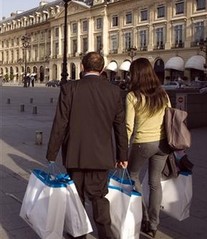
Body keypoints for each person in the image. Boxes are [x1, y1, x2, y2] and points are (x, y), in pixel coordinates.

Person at [46, 52, 128, 239]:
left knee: (76, 199)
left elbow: (60, 123)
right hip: (101, 156)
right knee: (99, 199)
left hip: (75, 154)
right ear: (103, 69)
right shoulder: (114, 91)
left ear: (82, 67)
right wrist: (123, 156)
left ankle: (78, 234)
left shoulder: (69, 88)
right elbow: (120, 127)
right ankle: (105, 235)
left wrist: (52, 153)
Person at [125, 58, 171, 238]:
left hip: (143, 143)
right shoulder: (163, 93)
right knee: (155, 183)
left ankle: (143, 216)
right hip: (163, 143)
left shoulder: (133, 95)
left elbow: (129, 126)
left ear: (135, 75)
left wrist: (123, 150)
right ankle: (153, 224)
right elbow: (169, 117)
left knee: (133, 175)